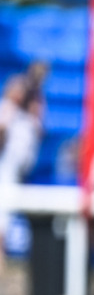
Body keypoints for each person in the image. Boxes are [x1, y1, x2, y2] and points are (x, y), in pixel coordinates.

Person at [0, 72, 44, 273]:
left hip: (25, 174)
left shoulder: (29, 118)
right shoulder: (6, 111)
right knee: (3, 218)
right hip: (6, 172)